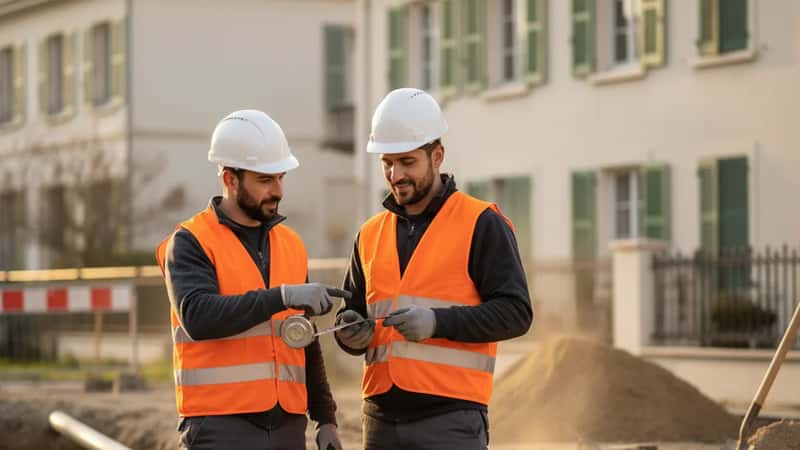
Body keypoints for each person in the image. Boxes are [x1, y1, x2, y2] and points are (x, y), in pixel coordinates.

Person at [334, 88, 534, 450]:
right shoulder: (369, 234)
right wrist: (347, 332)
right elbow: (354, 316)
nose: (396, 175)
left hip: (450, 422)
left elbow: (516, 313)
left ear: (437, 155)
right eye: (387, 163)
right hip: (379, 421)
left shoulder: (481, 223)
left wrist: (436, 323)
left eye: (407, 162)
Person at [156, 109, 344, 450]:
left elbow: (305, 339)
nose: (278, 190)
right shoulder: (190, 242)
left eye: (281, 178)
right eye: (265, 180)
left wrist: (325, 418)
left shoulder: (291, 245)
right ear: (230, 179)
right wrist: (283, 296)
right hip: (219, 430)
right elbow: (199, 316)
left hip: (287, 428)